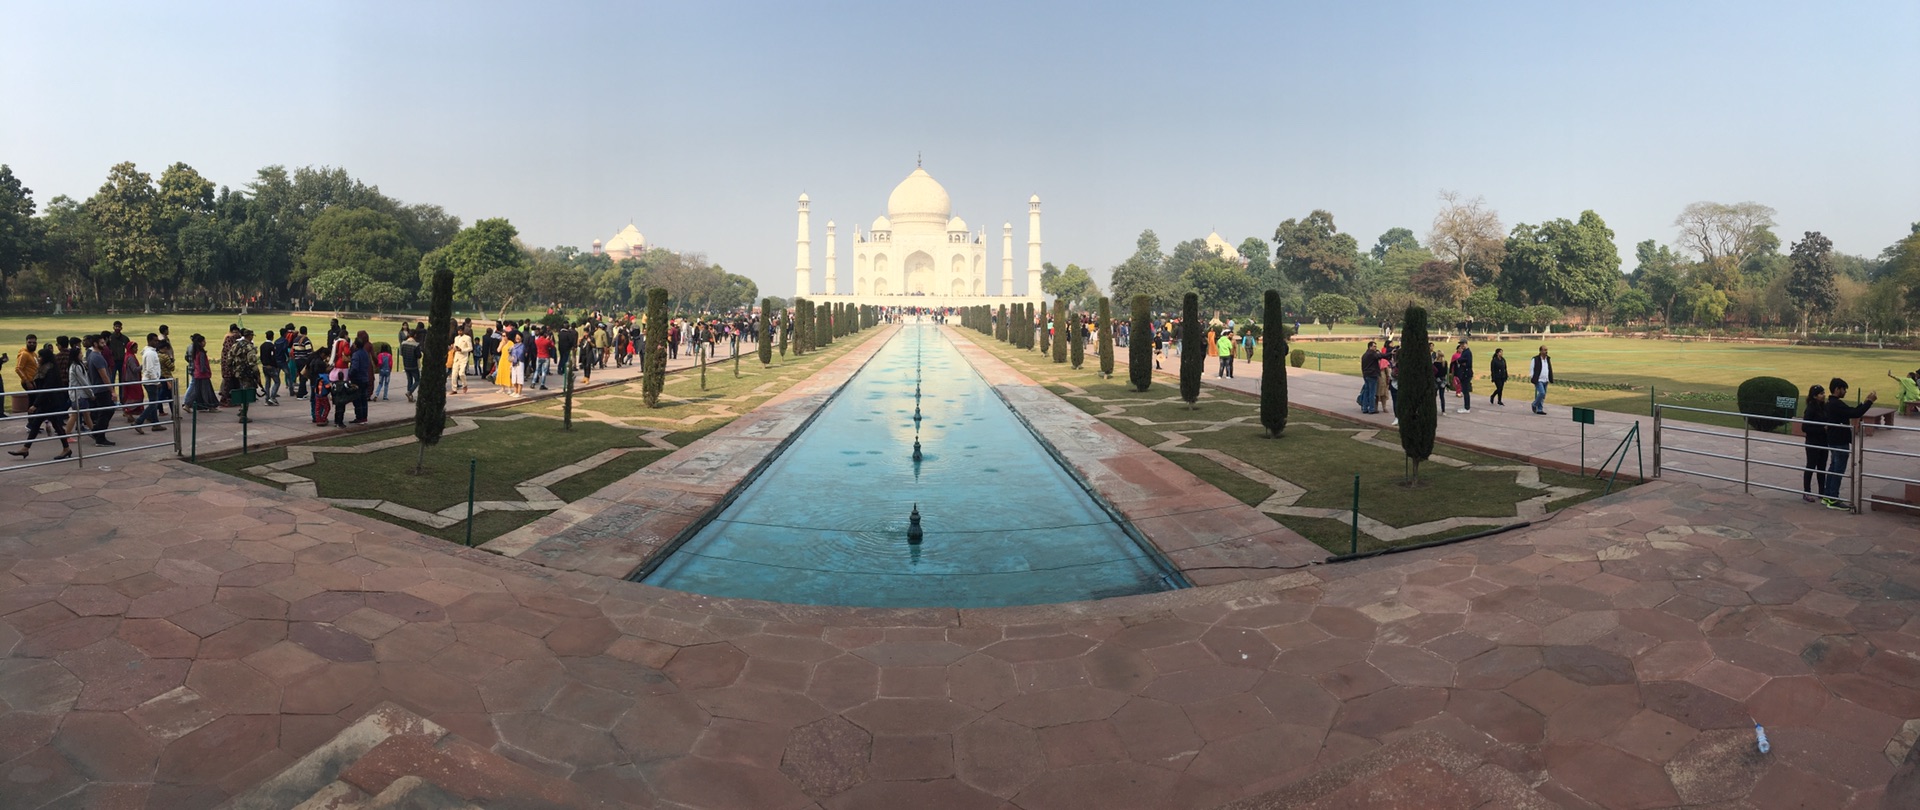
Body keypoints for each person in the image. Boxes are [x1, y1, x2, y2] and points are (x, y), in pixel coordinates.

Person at [1818, 378, 1878, 509]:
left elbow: (1851, 410)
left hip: (1834, 440)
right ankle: (1833, 498)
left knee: (1833, 467)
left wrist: (1864, 402)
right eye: (1843, 389)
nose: (1845, 392)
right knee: (1838, 469)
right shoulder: (1835, 404)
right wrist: (1869, 402)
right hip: (1839, 441)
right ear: (1837, 389)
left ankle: (1828, 496)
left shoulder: (1831, 403)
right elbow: (1855, 413)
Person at [7, 346, 71, 460]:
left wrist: (35, 404)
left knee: (49, 424)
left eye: (41, 356)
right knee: (41, 424)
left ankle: (65, 448)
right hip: (46, 402)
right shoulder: (44, 368)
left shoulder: (50, 370)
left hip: (49, 402)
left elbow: (46, 389)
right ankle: (26, 448)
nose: (39, 358)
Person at [133, 334, 166, 433]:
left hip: (150, 380)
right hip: (151, 381)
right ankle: (139, 421)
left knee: (153, 402)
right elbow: (150, 369)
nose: (157, 343)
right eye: (155, 341)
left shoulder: (149, 352)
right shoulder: (151, 354)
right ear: (149, 341)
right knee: (153, 403)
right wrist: (157, 381)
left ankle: (155, 424)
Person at [1801, 385, 1828, 503]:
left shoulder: (1823, 407)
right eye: (1821, 394)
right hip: (1813, 442)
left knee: (1822, 467)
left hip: (1823, 441)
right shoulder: (1811, 409)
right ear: (1814, 396)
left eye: (1823, 393)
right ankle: (1807, 492)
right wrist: (1822, 429)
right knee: (1811, 466)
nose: (1823, 395)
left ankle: (1822, 492)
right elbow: (1805, 427)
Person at [348, 334, 373, 424]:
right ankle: (364, 417)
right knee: (363, 399)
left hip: (357, 379)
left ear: (356, 345)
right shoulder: (365, 353)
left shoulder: (356, 355)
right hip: (365, 378)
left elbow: (354, 368)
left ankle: (359, 417)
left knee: (357, 399)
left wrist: (350, 375)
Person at [1358, 341, 1382, 414]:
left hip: (1366, 375)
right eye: (1374, 346)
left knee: (1366, 392)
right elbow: (1380, 356)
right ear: (1370, 347)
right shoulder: (1372, 354)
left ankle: (1365, 408)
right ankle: (1371, 408)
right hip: (1372, 375)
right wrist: (1390, 353)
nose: (1375, 348)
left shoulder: (1365, 355)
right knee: (1372, 393)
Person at [1529, 346, 1552, 415]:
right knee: (1542, 393)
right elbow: (1531, 369)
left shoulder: (1547, 359)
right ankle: (1534, 404)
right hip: (1539, 380)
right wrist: (1534, 378)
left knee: (1543, 396)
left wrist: (1549, 378)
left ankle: (1540, 409)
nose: (1546, 351)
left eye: (1546, 350)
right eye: (1544, 350)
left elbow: (1549, 368)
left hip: (1545, 379)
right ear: (1540, 351)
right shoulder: (1535, 359)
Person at [400, 331, 421, 403]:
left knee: (409, 380)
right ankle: (410, 392)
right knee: (418, 380)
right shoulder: (416, 344)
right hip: (414, 365)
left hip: (406, 365)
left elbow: (401, 353)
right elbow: (419, 355)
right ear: (415, 335)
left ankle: (410, 397)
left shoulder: (403, 343)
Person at [1453, 340, 1474, 413]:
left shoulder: (1468, 352)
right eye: (1461, 345)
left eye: (1462, 344)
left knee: (1465, 391)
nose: (1461, 346)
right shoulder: (1464, 352)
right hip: (1464, 373)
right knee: (1464, 391)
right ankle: (1466, 406)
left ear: (1466, 344)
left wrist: (1460, 361)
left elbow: (1468, 363)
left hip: (1466, 373)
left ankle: (1467, 408)